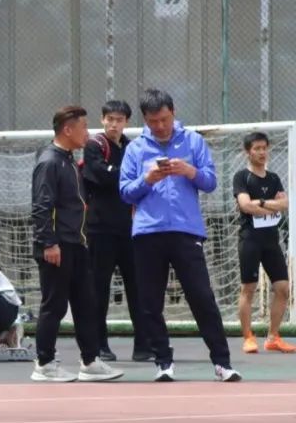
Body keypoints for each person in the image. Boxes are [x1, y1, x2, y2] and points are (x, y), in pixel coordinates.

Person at [119, 88, 241, 382]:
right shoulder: (135, 149)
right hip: (148, 232)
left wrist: (189, 171)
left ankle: (222, 363)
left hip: (187, 230)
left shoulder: (193, 141)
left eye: (163, 119)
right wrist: (147, 179)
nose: (159, 126)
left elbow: (211, 182)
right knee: (150, 302)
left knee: (202, 297)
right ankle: (163, 362)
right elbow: (124, 192)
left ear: (173, 112)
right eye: (153, 121)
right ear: (145, 120)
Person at [30, 105, 123, 383]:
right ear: (68, 130)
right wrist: (49, 243)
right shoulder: (49, 161)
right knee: (54, 305)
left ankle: (90, 361)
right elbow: (41, 207)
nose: (88, 132)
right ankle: (44, 363)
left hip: (77, 243)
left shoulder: (68, 159)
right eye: (83, 127)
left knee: (86, 302)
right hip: (57, 246)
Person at [82, 100, 150, 362]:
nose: (113, 124)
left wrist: (134, 178)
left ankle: (143, 345)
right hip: (100, 229)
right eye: (109, 119)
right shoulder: (94, 145)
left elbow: (139, 178)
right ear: (102, 119)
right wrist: (131, 177)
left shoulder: (132, 146)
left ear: (126, 122)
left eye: (119, 120)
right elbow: (100, 174)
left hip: (130, 228)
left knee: (138, 287)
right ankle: (99, 345)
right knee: (99, 288)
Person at [233, 131, 294, 354]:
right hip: (250, 240)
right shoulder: (242, 177)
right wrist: (268, 205)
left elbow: (285, 204)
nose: (261, 152)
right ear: (247, 152)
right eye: (256, 148)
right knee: (248, 288)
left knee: (283, 288)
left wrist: (259, 203)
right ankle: (248, 337)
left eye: (264, 148)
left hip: (271, 241)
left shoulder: (274, 178)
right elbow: (245, 205)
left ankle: (273, 337)